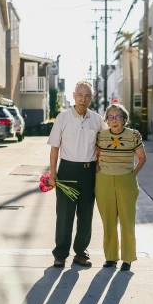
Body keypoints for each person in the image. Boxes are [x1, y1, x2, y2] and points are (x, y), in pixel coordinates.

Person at [48, 81, 106, 269]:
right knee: (64, 215)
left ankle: (81, 253)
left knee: (86, 215)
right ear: (74, 96)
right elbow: (54, 148)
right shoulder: (63, 118)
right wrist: (53, 173)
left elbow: (108, 140)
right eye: (80, 95)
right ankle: (60, 254)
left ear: (92, 98)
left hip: (89, 173)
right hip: (67, 171)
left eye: (88, 96)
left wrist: (134, 135)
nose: (84, 99)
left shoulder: (97, 120)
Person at [95, 104, 147, 272]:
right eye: (110, 117)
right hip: (104, 181)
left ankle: (128, 258)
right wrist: (98, 170)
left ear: (125, 119)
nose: (114, 120)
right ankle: (110, 257)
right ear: (106, 120)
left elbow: (142, 158)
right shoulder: (101, 136)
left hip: (126, 181)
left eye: (118, 117)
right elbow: (95, 155)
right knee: (108, 221)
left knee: (127, 221)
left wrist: (133, 174)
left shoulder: (133, 135)